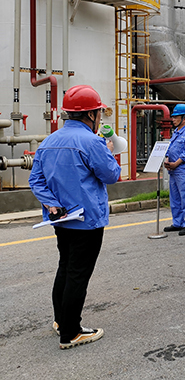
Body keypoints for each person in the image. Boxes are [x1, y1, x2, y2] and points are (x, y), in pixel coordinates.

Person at [29, 85, 121, 349]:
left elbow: (36, 180)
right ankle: (70, 333)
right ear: (91, 114)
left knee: (66, 267)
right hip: (87, 220)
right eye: (99, 113)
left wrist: (52, 204)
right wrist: (109, 150)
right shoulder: (92, 142)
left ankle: (61, 320)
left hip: (61, 219)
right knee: (78, 274)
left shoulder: (49, 141)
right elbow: (111, 175)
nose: (100, 117)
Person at [163, 104, 185, 236]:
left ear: (184, 118)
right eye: (173, 117)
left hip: (184, 171)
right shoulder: (176, 132)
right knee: (175, 198)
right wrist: (167, 160)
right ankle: (177, 222)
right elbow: (170, 149)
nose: (173, 119)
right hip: (173, 171)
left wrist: (176, 163)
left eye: (176, 117)